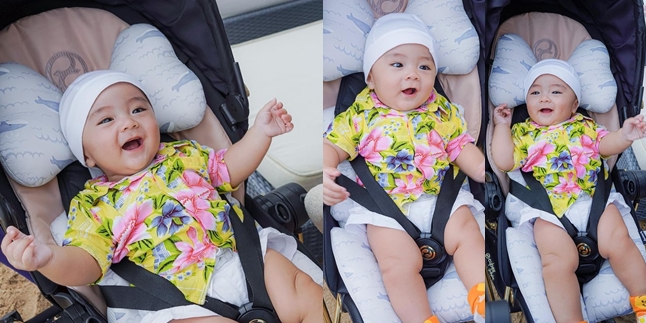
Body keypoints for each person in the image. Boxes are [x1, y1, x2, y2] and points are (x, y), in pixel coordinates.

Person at [0, 70, 322, 323]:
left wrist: (260, 133)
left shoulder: (182, 154)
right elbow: (85, 263)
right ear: (87, 155)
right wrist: (47, 260)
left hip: (240, 256)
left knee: (306, 293)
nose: (129, 121)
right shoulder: (94, 205)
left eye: (139, 108)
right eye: (106, 119)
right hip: (174, 299)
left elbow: (228, 169)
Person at [323, 13, 485, 323]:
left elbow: (459, 146)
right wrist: (328, 168)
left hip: (441, 200)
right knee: (396, 264)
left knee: (468, 234)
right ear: (371, 77)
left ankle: (481, 300)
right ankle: (422, 319)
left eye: (424, 66)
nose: (413, 75)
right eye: (397, 65)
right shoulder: (361, 112)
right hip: (384, 209)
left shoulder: (441, 109)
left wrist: (479, 168)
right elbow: (332, 144)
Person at [491, 59, 646, 323]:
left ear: (575, 105)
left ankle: (642, 299)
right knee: (555, 263)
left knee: (620, 241)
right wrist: (502, 127)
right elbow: (505, 162)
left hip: (591, 201)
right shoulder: (523, 132)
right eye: (535, 92)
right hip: (546, 210)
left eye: (556, 91)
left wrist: (625, 135)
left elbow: (606, 145)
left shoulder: (584, 126)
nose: (544, 98)